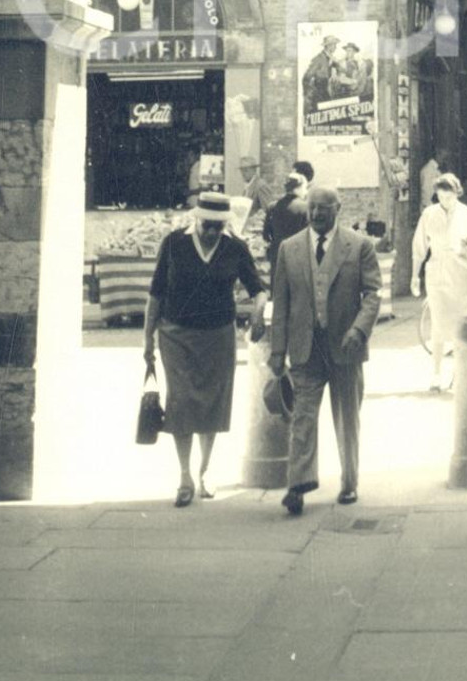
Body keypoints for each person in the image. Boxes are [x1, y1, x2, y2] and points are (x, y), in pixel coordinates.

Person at [144, 192, 267, 506]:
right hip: (175, 334)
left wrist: (257, 314)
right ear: (196, 219)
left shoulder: (235, 248)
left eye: (217, 227)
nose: (212, 232)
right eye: (207, 226)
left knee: (213, 402)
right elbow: (156, 293)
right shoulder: (173, 244)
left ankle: (206, 471)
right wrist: (147, 339)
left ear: (225, 224)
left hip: (218, 336)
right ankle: (184, 475)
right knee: (181, 403)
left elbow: (258, 289)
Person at [268, 185, 382, 515]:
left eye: (324, 208)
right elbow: (281, 304)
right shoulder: (289, 249)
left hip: (346, 348)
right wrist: (278, 351)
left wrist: (359, 330)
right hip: (306, 348)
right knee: (302, 418)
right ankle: (298, 485)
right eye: (312, 208)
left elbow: (373, 294)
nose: (317, 213)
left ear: (338, 209)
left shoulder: (358, 246)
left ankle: (349, 482)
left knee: (347, 418)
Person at [410, 171, 467, 393]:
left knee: (460, 324)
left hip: (460, 274)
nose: (445, 201)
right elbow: (419, 248)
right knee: (438, 324)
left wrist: (463, 252)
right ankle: (436, 374)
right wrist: (414, 276)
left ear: (457, 193)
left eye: (449, 197)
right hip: (436, 272)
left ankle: (459, 374)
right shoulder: (429, 214)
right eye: (441, 197)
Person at [261, 172, 309, 275]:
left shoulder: (272, 207)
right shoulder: (306, 208)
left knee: (277, 289)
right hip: (298, 258)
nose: (306, 191)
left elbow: (266, 235)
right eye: (305, 188)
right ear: (299, 188)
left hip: (277, 257)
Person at [302, 34, 340, 111]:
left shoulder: (332, 59)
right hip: (319, 93)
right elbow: (306, 77)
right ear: (328, 46)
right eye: (334, 45)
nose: (336, 47)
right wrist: (309, 94)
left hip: (328, 92)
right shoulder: (318, 59)